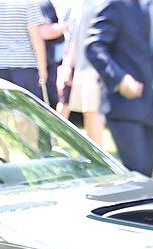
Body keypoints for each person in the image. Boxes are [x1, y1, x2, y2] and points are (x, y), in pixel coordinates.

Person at [85, 0, 153, 176]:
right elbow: (94, 46)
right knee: (137, 174)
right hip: (124, 106)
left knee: (148, 175)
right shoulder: (116, 4)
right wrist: (119, 79)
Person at [57, 0, 104, 143]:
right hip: (81, 67)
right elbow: (75, 39)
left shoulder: (98, 4)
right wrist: (69, 65)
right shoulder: (80, 6)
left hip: (92, 67)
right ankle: (93, 152)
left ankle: (98, 153)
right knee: (88, 112)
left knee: (93, 112)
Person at [0, 0, 49, 99]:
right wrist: (43, 69)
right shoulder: (28, 3)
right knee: (28, 106)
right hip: (24, 66)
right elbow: (36, 39)